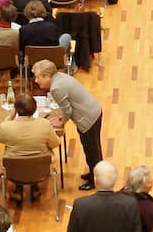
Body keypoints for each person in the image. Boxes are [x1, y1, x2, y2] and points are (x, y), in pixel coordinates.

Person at [33, 60, 103, 188]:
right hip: (93, 110)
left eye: (38, 77)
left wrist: (62, 122)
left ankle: (95, 181)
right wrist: (62, 118)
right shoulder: (60, 76)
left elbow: (68, 110)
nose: (36, 80)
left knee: (91, 151)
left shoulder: (56, 88)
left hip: (87, 118)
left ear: (47, 76)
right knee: (94, 148)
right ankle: (95, 173)